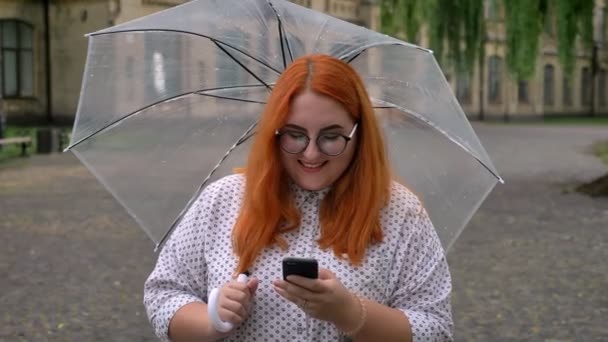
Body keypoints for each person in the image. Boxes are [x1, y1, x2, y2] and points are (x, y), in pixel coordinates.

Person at [143, 54, 453, 341]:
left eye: (331, 137)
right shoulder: (222, 200)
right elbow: (164, 294)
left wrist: (352, 314)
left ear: (359, 134)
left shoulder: (400, 212)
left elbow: (436, 327)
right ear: (274, 132)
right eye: (295, 134)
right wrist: (212, 319)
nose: (311, 153)